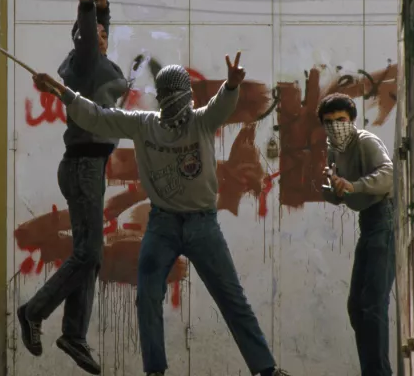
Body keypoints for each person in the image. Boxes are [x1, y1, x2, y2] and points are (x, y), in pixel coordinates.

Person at [32, 53, 291, 376]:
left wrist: (231, 85)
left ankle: (265, 369)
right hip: (162, 225)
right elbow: (98, 117)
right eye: (168, 96)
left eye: (178, 96)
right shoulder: (144, 125)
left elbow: (223, 105)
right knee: (148, 297)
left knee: (231, 298)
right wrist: (63, 93)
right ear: (162, 98)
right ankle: (155, 370)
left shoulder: (201, 120)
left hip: (202, 225)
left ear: (188, 97)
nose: (174, 104)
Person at [17, 0, 128, 376]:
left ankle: (74, 334)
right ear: (84, 39)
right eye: (97, 33)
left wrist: (102, 8)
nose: (103, 37)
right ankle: (33, 312)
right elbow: (87, 38)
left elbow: (96, 33)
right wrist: (85, 2)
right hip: (83, 166)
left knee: (90, 255)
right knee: (88, 253)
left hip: (89, 167)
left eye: (105, 33)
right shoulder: (85, 64)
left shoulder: (95, 63)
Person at [318, 93, 395, 376]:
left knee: (373, 304)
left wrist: (353, 186)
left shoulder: (365, 141)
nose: (336, 126)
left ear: (352, 120)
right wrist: (335, 189)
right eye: (329, 122)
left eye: (341, 119)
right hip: (369, 222)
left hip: (385, 218)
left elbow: (388, 175)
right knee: (357, 307)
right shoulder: (333, 150)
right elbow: (341, 192)